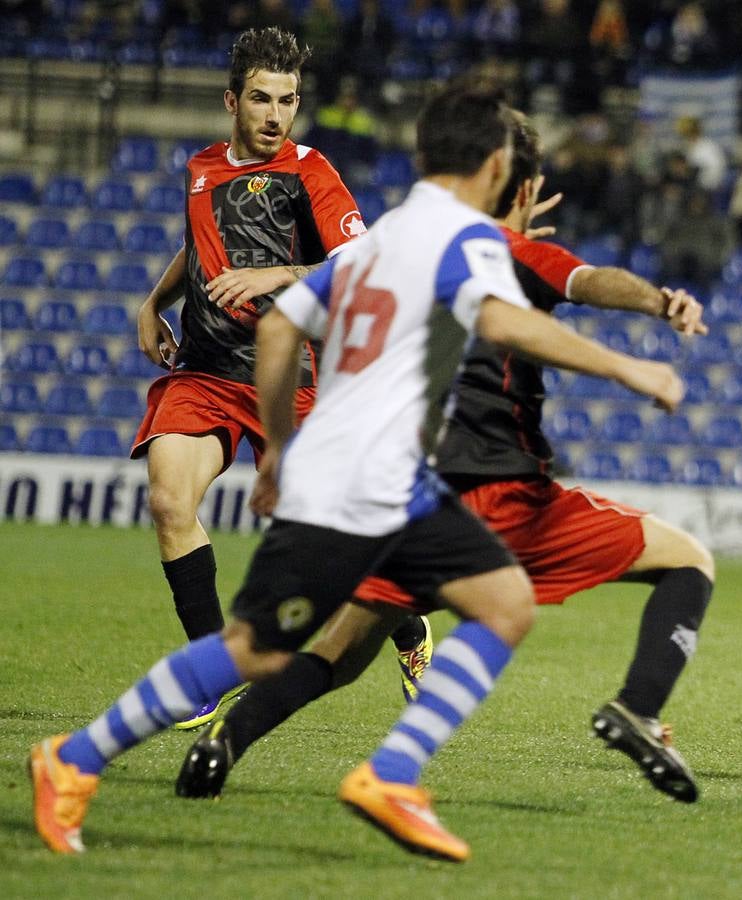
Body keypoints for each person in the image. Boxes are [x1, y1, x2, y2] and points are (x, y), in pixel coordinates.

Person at [28, 79, 685, 861]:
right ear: (497, 162)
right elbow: (503, 319)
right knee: (256, 650)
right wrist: (628, 369)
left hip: (380, 479)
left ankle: (394, 773)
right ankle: (71, 760)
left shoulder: (388, 233)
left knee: (502, 602)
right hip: (358, 483)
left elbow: (281, 332)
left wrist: (278, 450)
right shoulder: (461, 242)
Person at [175, 109, 717, 805]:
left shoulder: (418, 251)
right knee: (686, 560)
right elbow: (591, 280)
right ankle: (636, 707)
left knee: (338, 653)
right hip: (506, 497)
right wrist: (658, 303)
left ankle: (225, 739)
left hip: (414, 496)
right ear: (515, 184)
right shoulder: (507, 254)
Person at [130, 28, 431, 730]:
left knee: (336, 551)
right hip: (203, 370)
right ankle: (206, 669)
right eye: (262, 99)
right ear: (232, 100)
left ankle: (407, 626)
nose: (275, 115)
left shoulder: (311, 172)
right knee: (171, 504)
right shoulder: (201, 167)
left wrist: (276, 274)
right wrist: (153, 303)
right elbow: (199, 243)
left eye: (288, 100)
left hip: (285, 377)